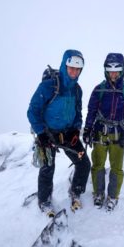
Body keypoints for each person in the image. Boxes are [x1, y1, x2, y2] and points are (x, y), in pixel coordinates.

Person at [27, 49, 91, 214]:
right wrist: (41, 134)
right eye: (71, 68)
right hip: (47, 134)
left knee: (84, 163)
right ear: (64, 65)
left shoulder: (77, 90)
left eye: (78, 69)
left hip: (68, 134)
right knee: (48, 168)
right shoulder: (48, 86)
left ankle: (75, 191)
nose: (74, 72)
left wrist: (76, 130)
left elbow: (77, 113)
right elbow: (32, 111)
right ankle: (45, 201)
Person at [83, 53, 124, 211]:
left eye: (117, 71)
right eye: (110, 70)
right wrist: (87, 129)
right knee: (98, 165)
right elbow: (91, 111)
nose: (113, 74)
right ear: (106, 71)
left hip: (118, 134)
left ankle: (112, 196)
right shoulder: (99, 89)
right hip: (100, 133)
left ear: (122, 71)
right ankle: (98, 193)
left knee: (116, 167)